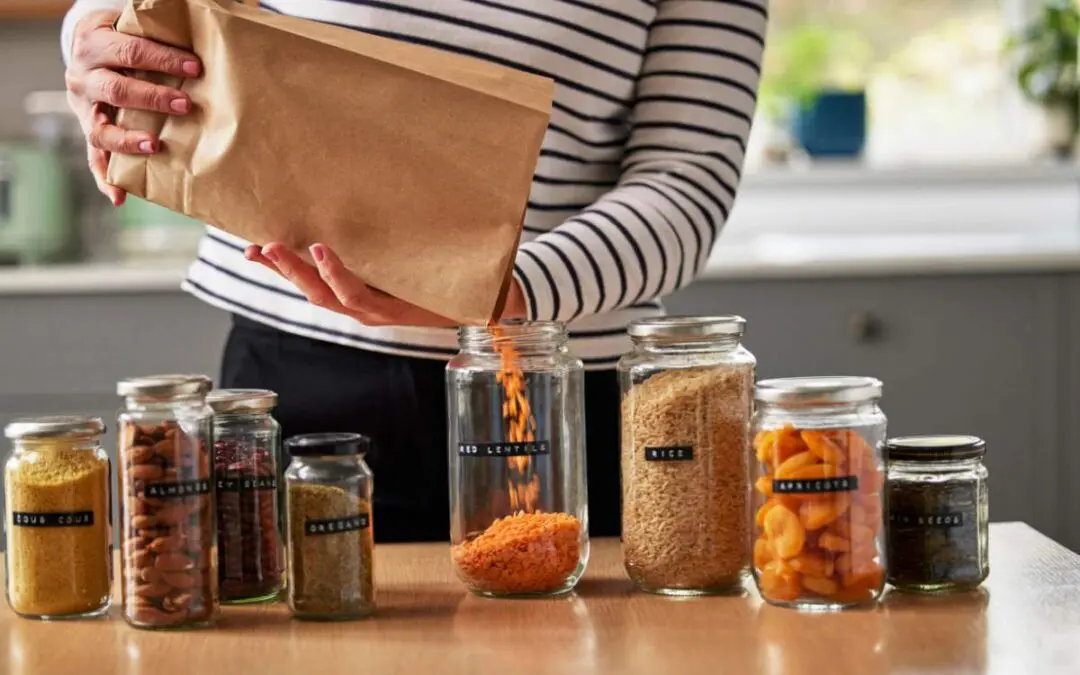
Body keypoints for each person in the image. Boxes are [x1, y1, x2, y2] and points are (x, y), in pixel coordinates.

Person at [61, 0, 768, 542]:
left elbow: (687, 176)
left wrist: (505, 292)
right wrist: (93, 39)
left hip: (549, 381)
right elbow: (141, 17)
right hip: (296, 369)